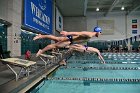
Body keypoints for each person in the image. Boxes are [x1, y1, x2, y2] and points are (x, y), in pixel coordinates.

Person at [33, 26, 102, 57]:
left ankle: (41, 36)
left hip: (70, 39)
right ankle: (41, 51)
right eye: (100, 32)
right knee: (55, 45)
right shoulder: (89, 34)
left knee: (56, 38)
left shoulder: (90, 34)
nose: (100, 34)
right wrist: (67, 33)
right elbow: (78, 33)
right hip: (70, 39)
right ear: (98, 32)